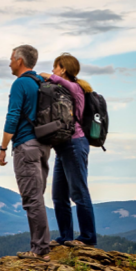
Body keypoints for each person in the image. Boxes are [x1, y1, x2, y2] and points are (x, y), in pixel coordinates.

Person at [0, 44, 51, 261]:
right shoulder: (41, 82)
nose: (9, 62)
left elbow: (13, 117)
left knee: (31, 198)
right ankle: (41, 246)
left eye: (11, 58)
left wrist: (3, 148)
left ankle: (40, 250)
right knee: (37, 195)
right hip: (44, 145)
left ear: (20, 60)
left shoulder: (20, 83)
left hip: (25, 145)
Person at [40, 53, 97, 246]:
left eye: (56, 67)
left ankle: (88, 238)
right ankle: (66, 236)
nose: (53, 70)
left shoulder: (75, 88)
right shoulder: (65, 88)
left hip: (75, 143)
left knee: (79, 192)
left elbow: (61, 81)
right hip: (63, 146)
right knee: (58, 195)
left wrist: (46, 76)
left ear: (63, 69)